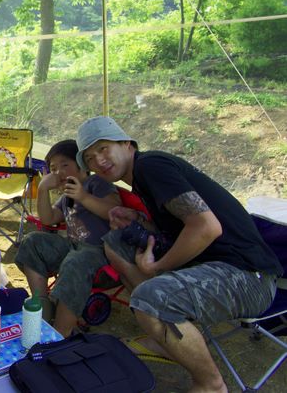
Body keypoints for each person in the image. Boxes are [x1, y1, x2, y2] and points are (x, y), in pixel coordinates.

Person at [76, 116, 283, 393]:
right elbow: (180, 228)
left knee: (150, 299)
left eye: (103, 148)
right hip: (210, 266)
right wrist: (139, 220)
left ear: (126, 143)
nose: (98, 161)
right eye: (89, 158)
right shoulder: (142, 177)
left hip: (247, 277)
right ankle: (165, 334)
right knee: (116, 243)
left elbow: (206, 227)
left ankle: (210, 385)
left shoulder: (151, 166)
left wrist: (158, 266)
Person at [14, 139, 120, 338]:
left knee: (75, 261)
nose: (59, 172)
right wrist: (43, 189)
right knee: (32, 241)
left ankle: (60, 333)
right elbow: (49, 218)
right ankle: (42, 306)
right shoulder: (67, 195)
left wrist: (83, 196)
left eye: (65, 165)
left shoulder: (97, 183)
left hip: (101, 254)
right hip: (73, 248)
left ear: (82, 164)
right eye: (53, 169)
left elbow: (114, 210)